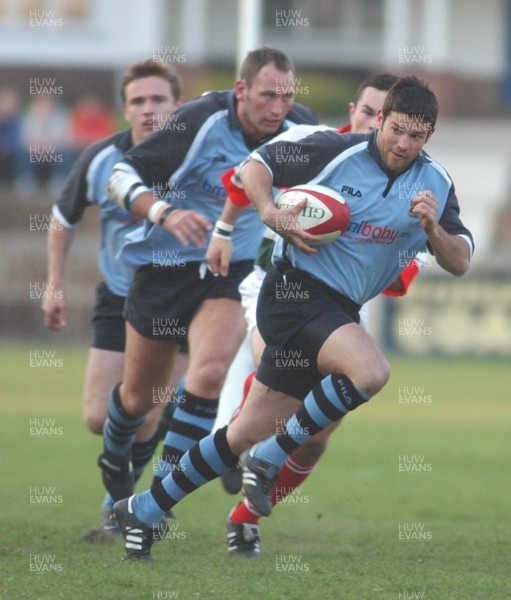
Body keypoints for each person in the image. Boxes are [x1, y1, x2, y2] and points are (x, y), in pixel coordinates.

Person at [109, 75, 473, 560]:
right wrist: (270, 212)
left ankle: (146, 508)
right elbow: (254, 167)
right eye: (397, 129)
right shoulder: (331, 149)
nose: (404, 143)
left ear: (430, 135)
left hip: (338, 309)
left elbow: (461, 260)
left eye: (417, 135)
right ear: (380, 119)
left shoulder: (435, 184)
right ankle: (273, 456)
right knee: (370, 372)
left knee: (240, 433)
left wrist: (432, 227)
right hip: (292, 292)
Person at [208, 72, 431, 556]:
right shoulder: (313, 145)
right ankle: (235, 435)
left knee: (314, 441)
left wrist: (363, 235)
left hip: (345, 309)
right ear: (357, 113)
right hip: (275, 285)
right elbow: (245, 175)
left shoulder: (415, 190)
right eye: (374, 116)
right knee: (280, 367)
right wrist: (230, 227)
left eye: (399, 126)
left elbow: (401, 278)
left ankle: (245, 515)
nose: (386, 131)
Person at [99, 46, 319, 520]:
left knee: (211, 372)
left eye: (286, 96)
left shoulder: (300, 128)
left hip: (230, 270)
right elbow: (119, 177)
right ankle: (115, 459)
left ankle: (154, 501)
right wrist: (167, 212)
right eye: (266, 96)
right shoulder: (198, 119)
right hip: (163, 267)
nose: (277, 108)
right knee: (139, 397)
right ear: (241, 91)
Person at [41, 58, 185, 541]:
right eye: (138, 101)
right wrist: (55, 284)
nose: (149, 110)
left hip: (180, 301)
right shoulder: (103, 158)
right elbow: (63, 217)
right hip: (119, 297)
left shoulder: (199, 155)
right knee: (98, 416)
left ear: (177, 104)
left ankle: (121, 509)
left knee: (150, 411)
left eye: (158, 100)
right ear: (125, 109)